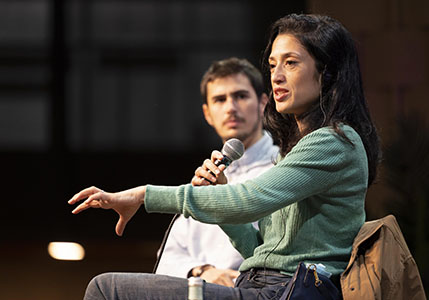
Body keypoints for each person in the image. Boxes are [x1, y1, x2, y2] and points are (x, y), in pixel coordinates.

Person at [69, 13, 380, 300]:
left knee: (106, 288)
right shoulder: (300, 148)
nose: (277, 76)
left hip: (282, 292)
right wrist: (219, 194)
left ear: (326, 73)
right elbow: (258, 250)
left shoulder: (335, 142)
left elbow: (246, 200)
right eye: (272, 65)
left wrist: (143, 195)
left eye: (291, 63)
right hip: (262, 285)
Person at [155, 57, 279, 287]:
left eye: (240, 96)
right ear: (207, 114)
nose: (231, 108)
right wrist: (202, 271)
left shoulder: (284, 167)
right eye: (220, 100)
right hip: (198, 291)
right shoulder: (204, 179)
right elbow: (167, 256)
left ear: (263, 103)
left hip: (257, 292)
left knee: (105, 287)